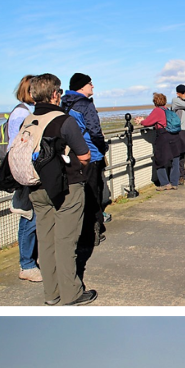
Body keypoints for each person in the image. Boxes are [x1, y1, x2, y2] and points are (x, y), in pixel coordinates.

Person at [27, 73, 97, 306]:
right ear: (56, 94)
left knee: (45, 241)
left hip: (36, 186)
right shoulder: (63, 120)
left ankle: (51, 293)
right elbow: (85, 154)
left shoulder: (28, 120)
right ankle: (72, 293)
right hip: (66, 186)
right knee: (66, 241)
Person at [61, 73, 109, 248]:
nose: (93, 86)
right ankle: (94, 232)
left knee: (77, 193)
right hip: (90, 154)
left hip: (72, 155)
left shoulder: (64, 103)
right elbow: (95, 130)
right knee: (93, 192)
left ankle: (80, 230)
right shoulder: (86, 105)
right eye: (90, 83)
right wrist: (102, 148)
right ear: (81, 86)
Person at [7, 75, 42, 283]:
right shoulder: (22, 114)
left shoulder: (20, 112)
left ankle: (30, 261)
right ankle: (27, 264)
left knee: (31, 216)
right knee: (29, 217)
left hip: (22, 171)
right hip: (24, 173)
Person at [135, 93, 182, 190]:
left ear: (155, 102)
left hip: (163, 136)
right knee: (175, 159)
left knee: (159, 159)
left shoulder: (157, 111)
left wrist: (141, 121)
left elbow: (148, 122)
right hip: (174, 136)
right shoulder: (167, 110)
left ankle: (165, 183)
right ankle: (174, 183)